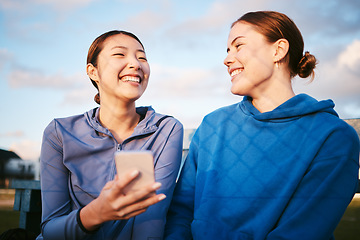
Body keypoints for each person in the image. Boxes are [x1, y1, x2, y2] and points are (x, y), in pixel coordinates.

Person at [164, 11, 359, 240]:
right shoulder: (212, 126)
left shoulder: (333, 137)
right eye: (227, 50)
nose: (227, 59)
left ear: (278, 50)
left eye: (239, 46)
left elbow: (301, 232)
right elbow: (180, 212)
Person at [37, 30, 183, 239]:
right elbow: (51, 230)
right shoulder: (59, 132)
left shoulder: (166, 129)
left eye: (142, 57)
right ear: (92, 71)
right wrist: (96, 213)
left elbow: (151, 219)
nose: (136, 64)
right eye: (119, 54)